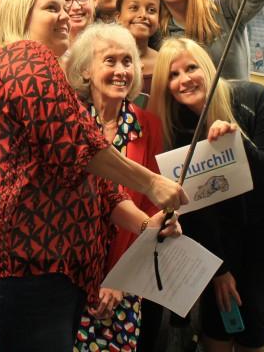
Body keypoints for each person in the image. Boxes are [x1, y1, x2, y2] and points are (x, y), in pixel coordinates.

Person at [0, 0, 187, 352]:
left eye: (65, 7)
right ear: (20, 15)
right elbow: (79, 147)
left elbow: (99, 185)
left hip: (40, 271)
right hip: (20, 267)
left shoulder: (49, 78)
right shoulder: (24, 57)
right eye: (51, 8)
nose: (65, 15)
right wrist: (151, 184)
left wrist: (145, 224)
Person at [149, 38, 264, 352]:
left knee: (254, 305)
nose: (185, 79)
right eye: (174, 75)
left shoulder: (253, 97)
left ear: (207, 67)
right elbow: (194, 209)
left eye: (191, 67)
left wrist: (237, 143)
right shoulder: (176, 129)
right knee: (220, 306)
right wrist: (219, 269)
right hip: (218, 222)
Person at [66, 23, 167, 352]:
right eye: (110, 61)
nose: (121, 70)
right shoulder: (70, 121)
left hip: (123, 278)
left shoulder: (148, 125)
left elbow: (154, 211)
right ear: (85, 70)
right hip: (68, 278)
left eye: (128, 61)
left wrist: (121, 280)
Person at [115, 0, 161, 104]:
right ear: (118, 17)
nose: (143, 15)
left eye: (151, 10)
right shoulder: (102, 58)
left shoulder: (165, 62)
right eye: (134, 8)